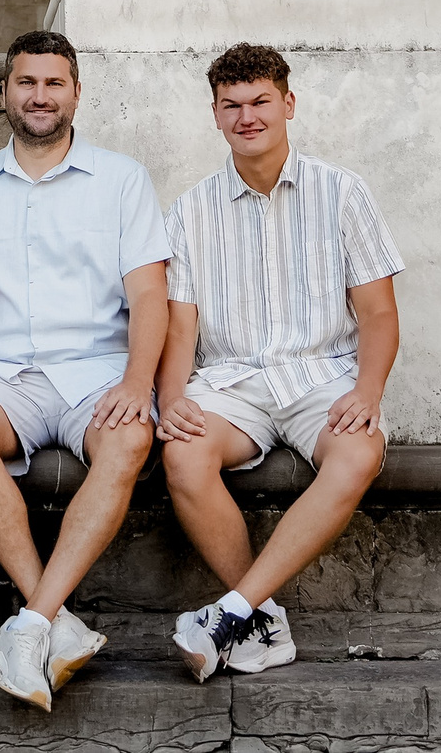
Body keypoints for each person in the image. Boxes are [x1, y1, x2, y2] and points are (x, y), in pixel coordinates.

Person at [0, 31, 173, 710]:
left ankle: (31, 622)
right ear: (4, 92)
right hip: (0, 368)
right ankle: (53, 618)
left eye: (53, 83)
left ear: (76, 92)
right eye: (26, 82)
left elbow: (150, 294)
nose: (39, 95)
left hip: (97, 367)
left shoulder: (121, 179)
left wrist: (137, 382)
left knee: (130, 438)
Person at [156, 43, 403, 680]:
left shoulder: (342, 192)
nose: (248, 116)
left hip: (322, 376)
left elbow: (377, 314)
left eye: (261, 101)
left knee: (357, 452)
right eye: (231, 105)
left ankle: (234, 612)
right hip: (231, 382)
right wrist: (172, 397)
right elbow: (179, 326)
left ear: (288, 105)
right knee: (182, 453)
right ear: (214, 114)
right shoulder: (189, 212)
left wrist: (369, 392)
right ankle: (259, 621)